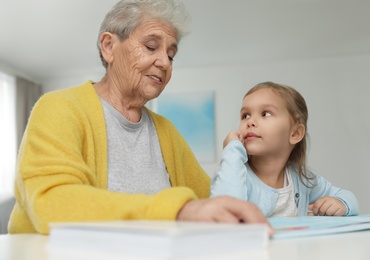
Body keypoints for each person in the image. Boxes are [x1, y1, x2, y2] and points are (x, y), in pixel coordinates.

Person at [8, 0, 269, 234]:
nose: (165, 63)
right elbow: (53, 203)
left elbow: (211, 202)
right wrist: (176, 210)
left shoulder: (166, 131)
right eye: (151, 46)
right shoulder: (59, 108)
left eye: (170, 55)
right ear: (109, 47)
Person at [211, 81, 359, 217]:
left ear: (295, 133)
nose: (250, 121)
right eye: (245, 115)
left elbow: (348, 197)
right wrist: (232, 150)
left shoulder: (302, 179)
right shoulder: (234, 172)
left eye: (265, 113)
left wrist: (341, 204)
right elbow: (224, 209)